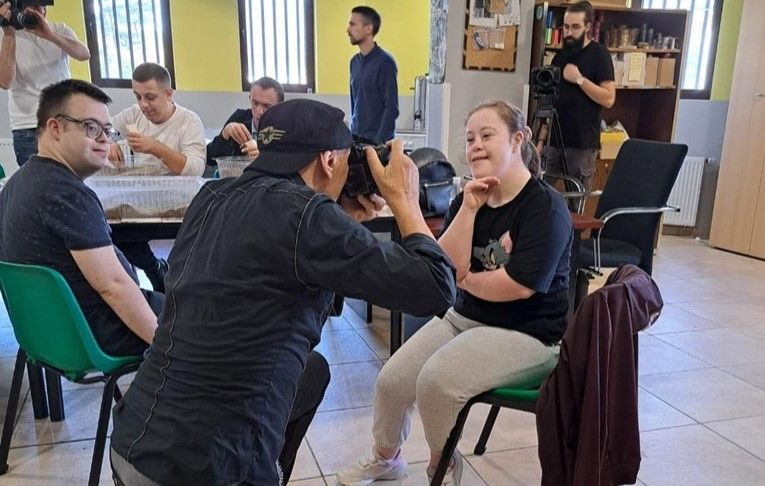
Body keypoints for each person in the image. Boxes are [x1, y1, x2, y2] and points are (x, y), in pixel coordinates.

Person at [110, 98, 456, 485]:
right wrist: (406, 201)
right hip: (205, 469)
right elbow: (437, 286)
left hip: (131, 440)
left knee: (312, 372)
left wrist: (341, 225)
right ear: (328, 161)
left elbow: (287, 299)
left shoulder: (211, 197)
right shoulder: (307, 215)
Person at [338, 100, 573, 485]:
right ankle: (387, 457)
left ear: (518, 140)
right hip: (465, 317)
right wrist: (468, 210)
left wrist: (462, 279)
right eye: (469, 138)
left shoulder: (545, 207)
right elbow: (444, 266)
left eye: (487, 135)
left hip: (528, 334)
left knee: (437, 382)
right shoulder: (469, 198)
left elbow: (516, 287)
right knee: (393, 381)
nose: (475, 145)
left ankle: (442, 468)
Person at [0, 79, 159, 357]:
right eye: (91, 127)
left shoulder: (18, 183)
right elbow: (114, 287)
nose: (103, 139)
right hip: (97, 334)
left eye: (107, 130)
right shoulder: (66, 193)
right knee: (210, 320)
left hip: (44, 335)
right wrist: (168, 349)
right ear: (55, 128)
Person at [109, 62, 206, 293]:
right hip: (140, 202)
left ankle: (175, 281)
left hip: (179, 207)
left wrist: (155, 148)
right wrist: (110, 141)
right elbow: (104, 128)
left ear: (168, 94)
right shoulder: (133, 114)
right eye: (138, 97)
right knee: (116, 233)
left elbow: (195, 168)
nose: (144, 105)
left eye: (150, 97)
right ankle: (153, 271)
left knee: (191, 245)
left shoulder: (189, 121)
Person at [0, 2, 90, 167]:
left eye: (43, 6)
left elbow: (84, 54)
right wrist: (8, 34)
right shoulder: (6, 35)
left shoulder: (60, 30)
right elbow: (5, 81)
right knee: (36, 188)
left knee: (70, 180)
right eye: (33, 6)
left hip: (64, 121)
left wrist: (49, 35)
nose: (40, 11)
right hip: (27, 127)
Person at [547, 0, 615, 190]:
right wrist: (540, 141)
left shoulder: (599, 55)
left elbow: (609, 98)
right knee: (540, 195)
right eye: (566, 27)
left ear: (587, 27)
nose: (569, 33)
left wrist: (579, 79)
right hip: (554, 142)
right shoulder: (560, 57)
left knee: (575, 202)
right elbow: (549, 101)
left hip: (582, 145)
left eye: (575, 27)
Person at [206, 76, 284, 166]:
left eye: (267, 106)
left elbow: (291, 168)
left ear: (280, 107)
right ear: (250, 99)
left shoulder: (287, 129)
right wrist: (224, 135)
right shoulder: (240, 118)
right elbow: (209, 159)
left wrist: (264, 158)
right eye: (255, 103)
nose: (259, 111)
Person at [347, 5, 398, 143]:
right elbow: (354, 103)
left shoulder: (385, 63)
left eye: (352, 24)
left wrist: (377, 144)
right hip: (356, 141)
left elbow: (391, 109)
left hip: (378, 146)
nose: (348, 30)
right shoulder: (354, 63)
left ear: (368, 29)